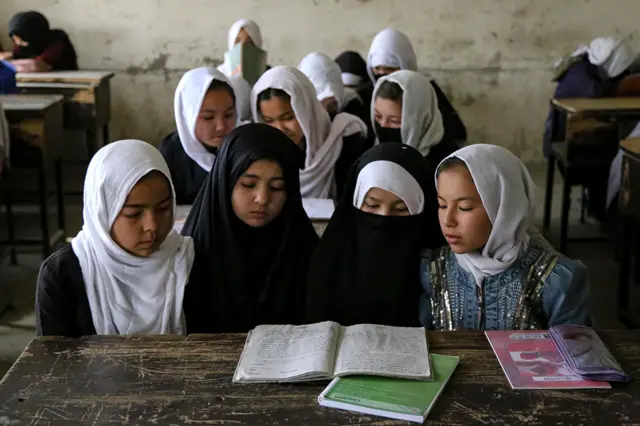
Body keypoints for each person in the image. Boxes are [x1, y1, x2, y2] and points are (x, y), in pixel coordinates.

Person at [420, 144, 591, 331]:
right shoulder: (433, 270)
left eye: (465, 207)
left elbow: (576, 353)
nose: (448, 220)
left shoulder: (556, 281)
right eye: (442, 205)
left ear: (504, 209)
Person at [35, 140, 195, 337]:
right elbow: (52, 361)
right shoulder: (61, 275)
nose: (152, 226)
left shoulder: (187, 264)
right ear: (103, 212)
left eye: (163, 208)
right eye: (133, 214)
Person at [181, 123, 319, 333]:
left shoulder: (305, 253)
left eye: (276, 187)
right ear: (225, 182)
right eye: (248, 184)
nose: (262, 199)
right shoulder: (192, 256)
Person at [306, 143, 444, 326]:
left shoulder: (441, 268)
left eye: (401, 209)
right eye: (372, 205)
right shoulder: (330, 261)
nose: (384, 217)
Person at [544, 37, 638, 221]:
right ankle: (608, 215)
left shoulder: (588, 70)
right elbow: (604, 93)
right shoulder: (581, 75)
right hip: (570, 146)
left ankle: (605, 212)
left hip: (587, 140)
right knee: (623, 159)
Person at [252, 66, 367, 199]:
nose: (280, 129)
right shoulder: (259, 152)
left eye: (288, 117)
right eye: (269, 121)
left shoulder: (343, 139)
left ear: (306, 110)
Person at [366, 28, 466, 142]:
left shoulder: (425, 91)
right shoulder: (366, 93)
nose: (382, 74)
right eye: (376, 68)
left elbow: (455, 133)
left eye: (390, 69)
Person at [159, 67, 238, 205]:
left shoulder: (243, 146)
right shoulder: (171, 154)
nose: (221, 126)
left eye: (229, 115)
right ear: (188, 116)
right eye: (208, 117)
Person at [372, 70, 459, 170]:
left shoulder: (448, 165)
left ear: (420, 119)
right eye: (378, 117)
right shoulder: (374, 152)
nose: (383, 125)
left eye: (395, 121)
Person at [298, 52, 372, 146]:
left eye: (332, 103)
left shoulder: (354, 113)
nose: (331, 98)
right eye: (321, 100)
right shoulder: (298, 118)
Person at [1, 11, 78, 72]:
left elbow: (39, 66)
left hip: (65, 83)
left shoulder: (57, 40)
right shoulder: (23, 43)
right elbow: (15, 56)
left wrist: (7, 64)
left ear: (32, 34)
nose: (17, 42)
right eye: (14, 39)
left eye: (20, 39)